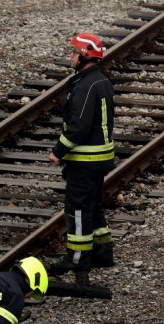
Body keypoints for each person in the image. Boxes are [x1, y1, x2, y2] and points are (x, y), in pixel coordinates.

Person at [47, 32, 115, 284]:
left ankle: (77, 259)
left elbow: (78, 126)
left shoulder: (86, 85)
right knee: (92, 204)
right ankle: (102, 252)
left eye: (74, 52)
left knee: (76, 209)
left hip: (85, 159)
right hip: (98, 158)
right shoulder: (99, 81)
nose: (71, 56)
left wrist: (58, 151)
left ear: (85, 55)